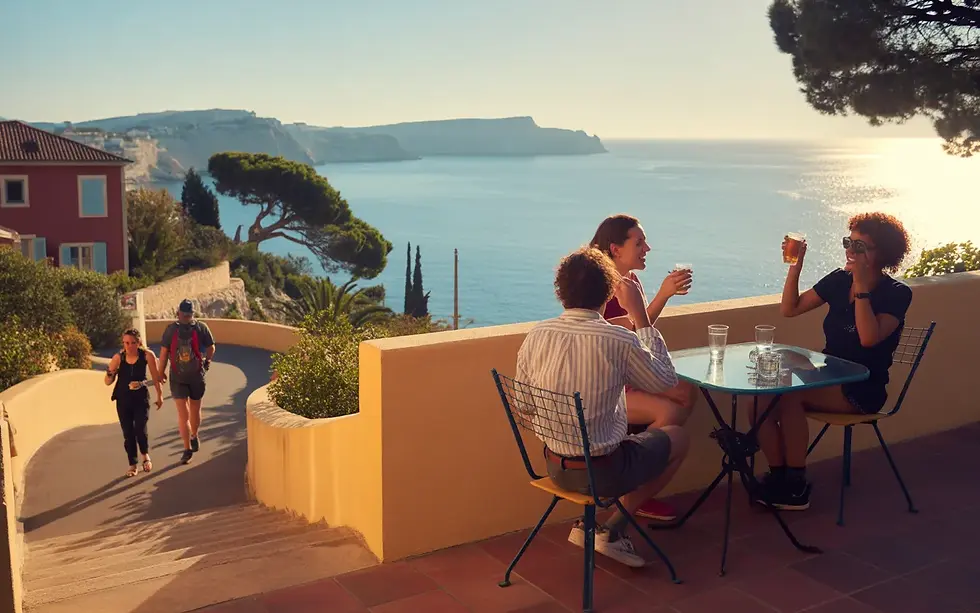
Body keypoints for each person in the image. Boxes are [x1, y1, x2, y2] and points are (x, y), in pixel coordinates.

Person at [516, 246, 690, 567]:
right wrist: (639, 316)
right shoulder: (616, 340)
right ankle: (611, 530)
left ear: (560, 290)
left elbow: (525, 407)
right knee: (678, 436)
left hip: (553, 466)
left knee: (622, 444)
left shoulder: (536, 335)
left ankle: (593, 526)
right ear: (610, 290)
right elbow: (665, 380)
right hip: (602, 475)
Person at [756, 212, 913, 510]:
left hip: (862, 387)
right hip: (828, 376)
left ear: (883, 254)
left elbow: (869, 338)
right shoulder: (839, 281)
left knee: (788, 398)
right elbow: (790, 309)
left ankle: (796, 484)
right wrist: (795, 266)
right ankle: (779, 477)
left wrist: (863, 288)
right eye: (849, 243)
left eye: (860, 247)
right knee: (760, 400)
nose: (850, 252)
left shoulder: (896, 293)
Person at [589, 214, 699, 521]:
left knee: (687, 393)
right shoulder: (597, 286)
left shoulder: (630, 281)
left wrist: (659, 299)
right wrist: (663, 294)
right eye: (639, 242)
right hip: (608, 384)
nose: (647, 248)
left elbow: (641, 326)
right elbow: (609, 331)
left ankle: (639, 489)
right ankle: (633, 493)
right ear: (615, 248)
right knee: (670, 414)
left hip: (629, 372)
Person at [158, 299, 216, 465]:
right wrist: (207, 361)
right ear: (192, 314)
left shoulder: (170, 330)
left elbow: (163, 354)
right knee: (194, 409)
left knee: (183, 414)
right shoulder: (201, 327)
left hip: (177, 376)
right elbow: (211, 347)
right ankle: (193, 437)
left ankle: (187, 448)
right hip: (197, 376)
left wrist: (160, 373)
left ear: (178, 313)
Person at [104, 328, 163, 477]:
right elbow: (107, 382)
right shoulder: (118, 358)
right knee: (128, 433)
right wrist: (111, 373)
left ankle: (145, 455)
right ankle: (132, 464)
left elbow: (156, 378)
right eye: (126, 343)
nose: (128, 346)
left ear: (139, 343)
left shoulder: (147, 356)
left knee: (140, 427)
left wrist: (159, 395)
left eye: (132, 343)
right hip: (123, 399)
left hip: (141, 398)